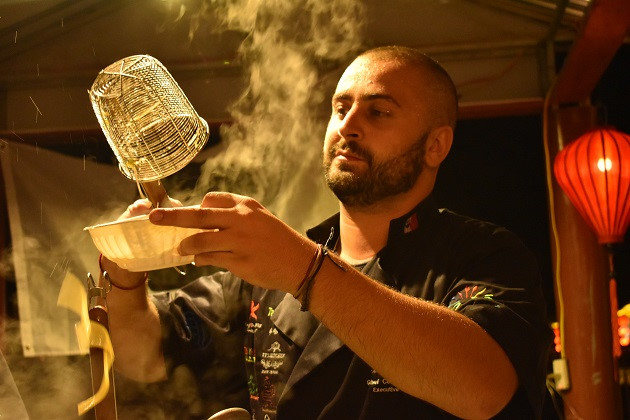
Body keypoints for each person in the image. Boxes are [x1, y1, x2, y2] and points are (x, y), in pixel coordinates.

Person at [101, 46, 551, 419]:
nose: (348, 125)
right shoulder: (267, 272)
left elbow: (483, 390)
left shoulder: (486, 255)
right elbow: (144, 357)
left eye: (379, 111)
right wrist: (125, 276)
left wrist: (302, 267)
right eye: (340, 108)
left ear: (436, 145)